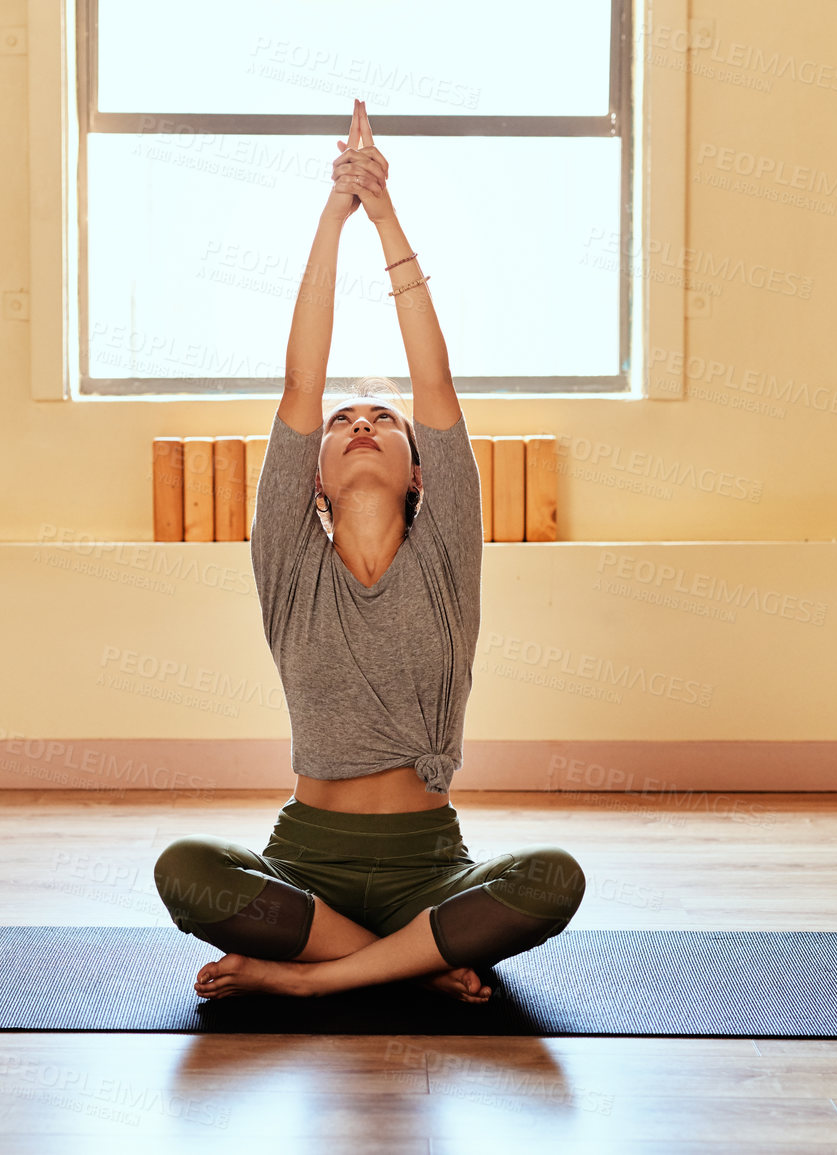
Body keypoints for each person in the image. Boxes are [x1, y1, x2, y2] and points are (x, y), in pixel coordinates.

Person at [153, 100, 585, 1004]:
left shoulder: (444, 556)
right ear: (308, 479)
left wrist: (383, 213)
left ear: (421, 473)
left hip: (430, 865)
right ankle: (410, 964)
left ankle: (316, 980)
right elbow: (299, 381)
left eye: (380, 419)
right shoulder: (289, 562)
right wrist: (331, 212)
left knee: (554, 876)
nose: (358, 423)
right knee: (185, 868)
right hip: (304, 863)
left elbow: (434, 380)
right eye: (343, 421)